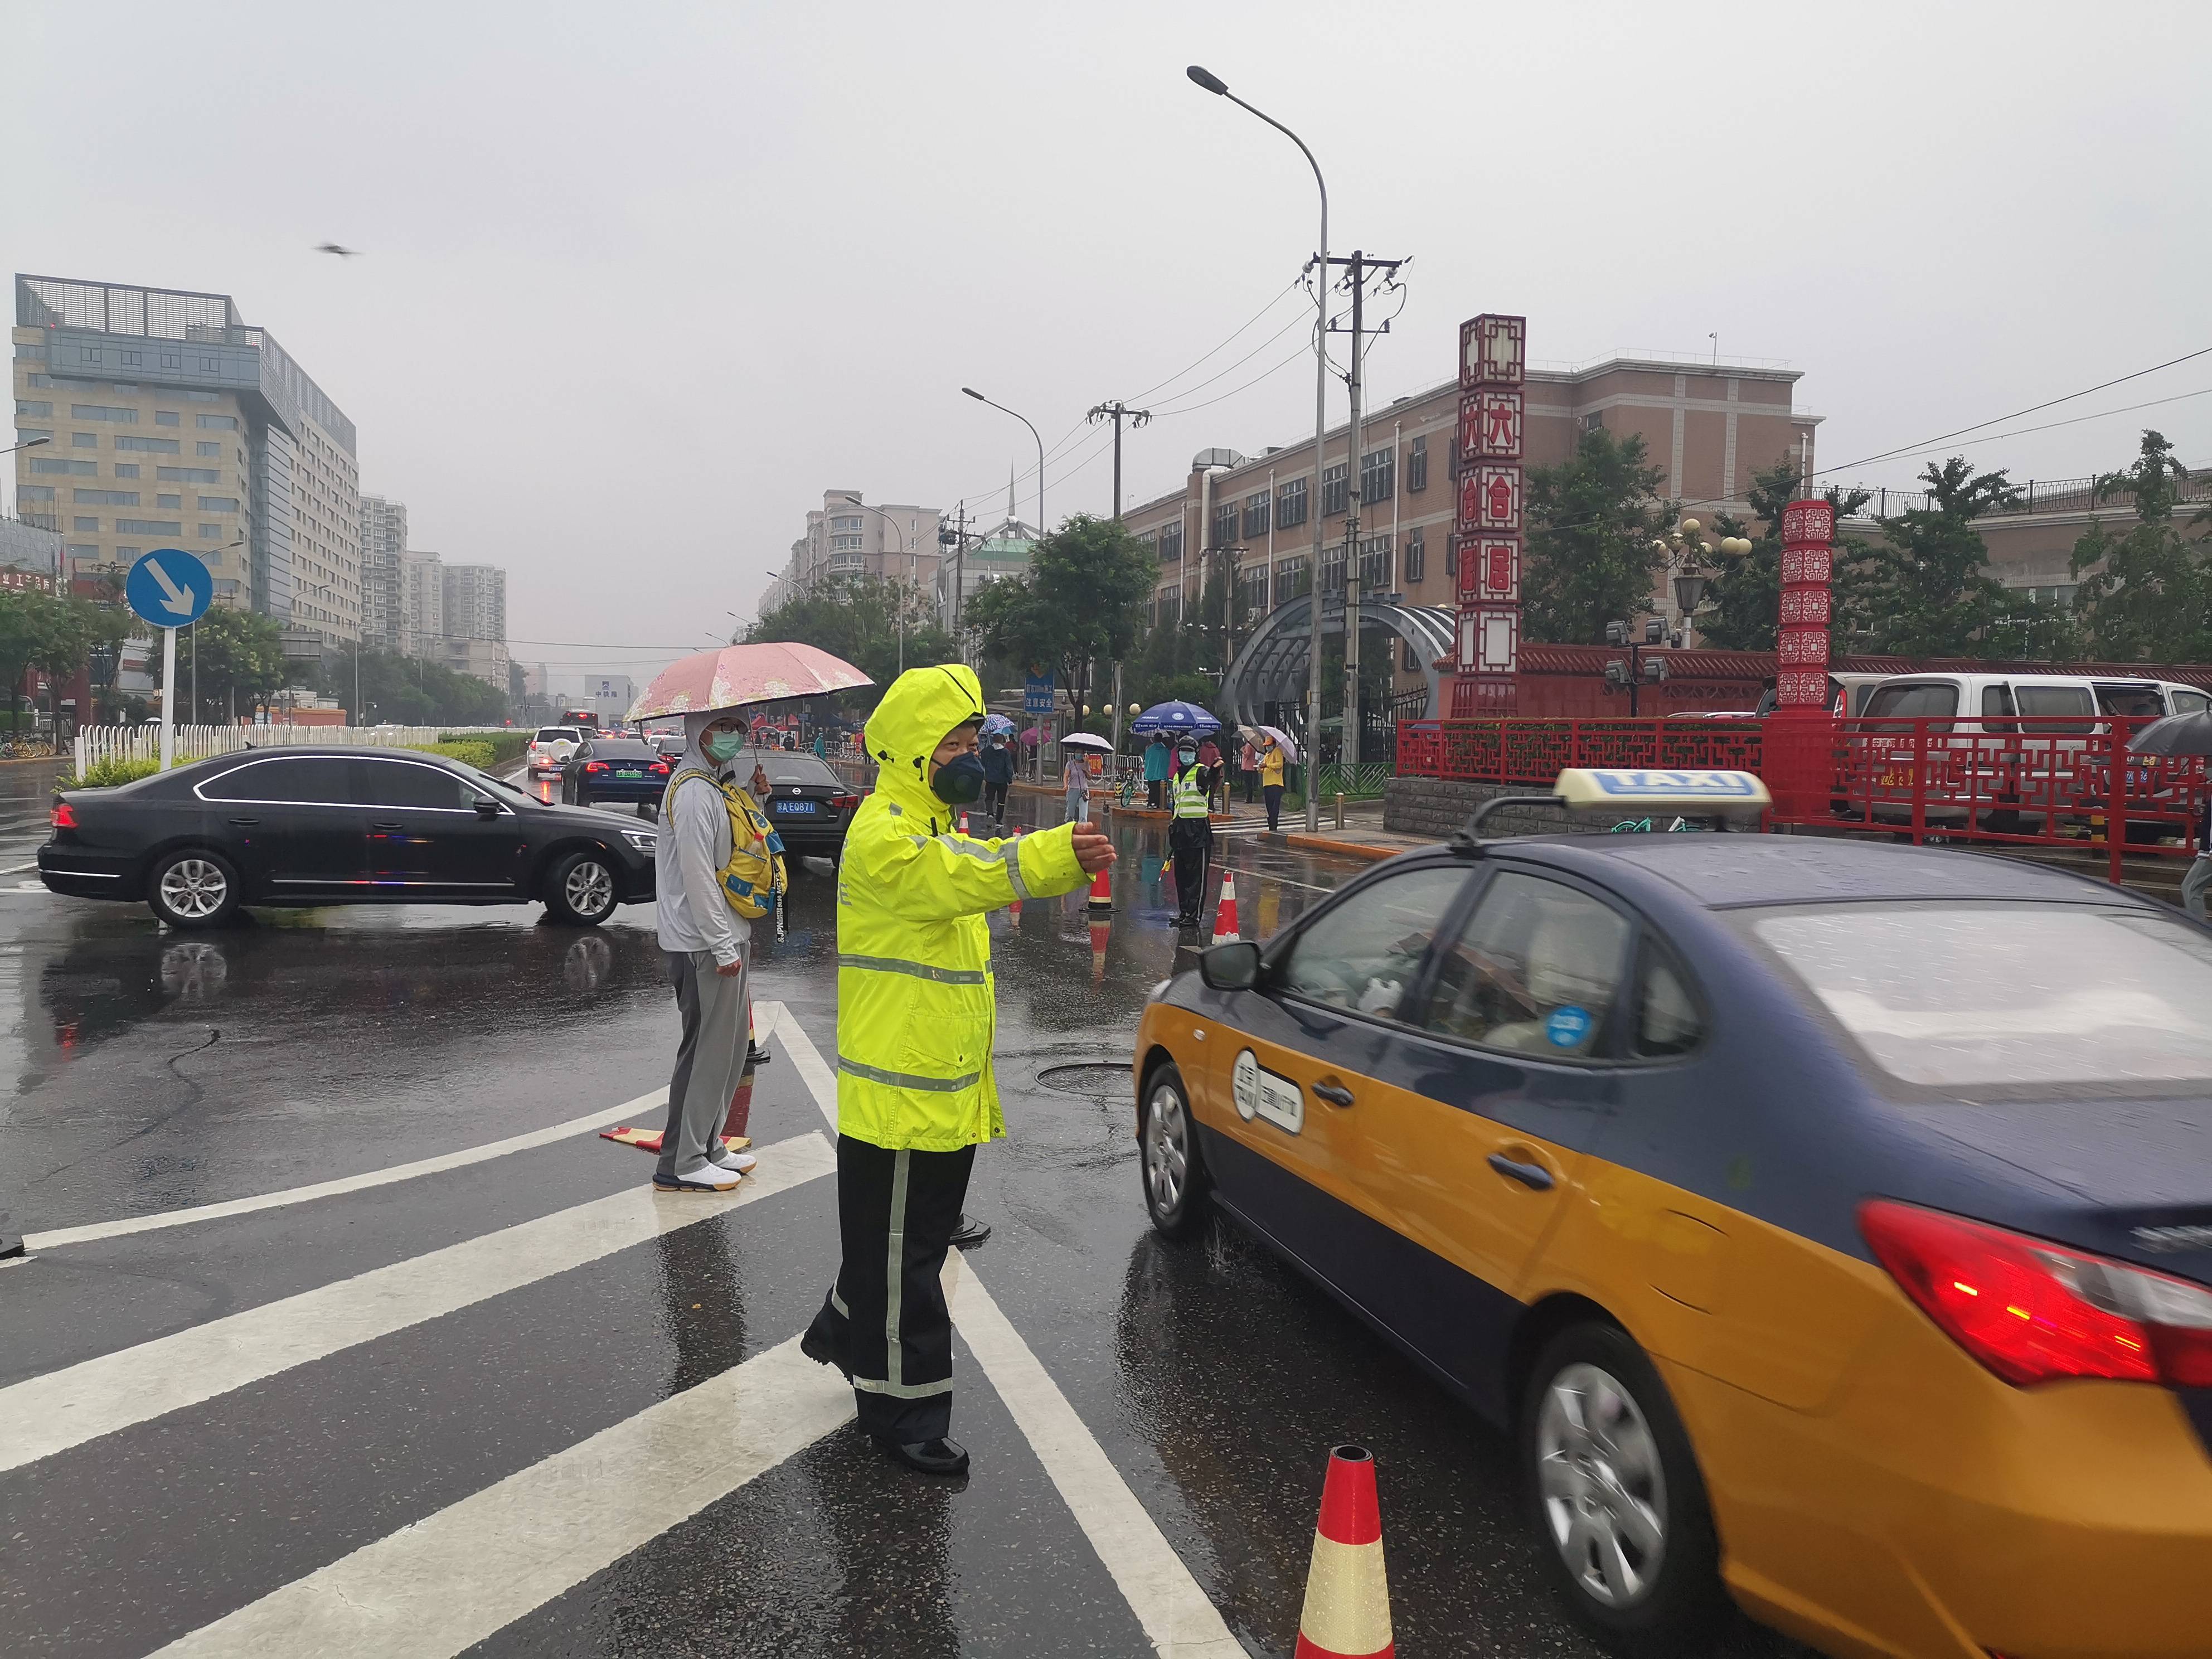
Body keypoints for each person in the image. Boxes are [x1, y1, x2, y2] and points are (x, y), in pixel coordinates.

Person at [802, 664, 1113, 1477]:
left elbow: (973, 861)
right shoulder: (885, 834)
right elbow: (970, 877)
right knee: (907, 1263)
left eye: (977, 741)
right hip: (900, 1099)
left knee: (903, 1241)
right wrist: (1057, 856)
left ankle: (842, 1332)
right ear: (910, 751)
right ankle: (902, 1416)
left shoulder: (934, 823)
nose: (971, 756)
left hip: (937, 1090)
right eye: (956, 743)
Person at [653, 709, 772, 1194]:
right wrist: (722, 945)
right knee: (704, 1052)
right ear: (695, 731)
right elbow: (700, 874)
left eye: (739, 729)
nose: (733, 737)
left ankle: (708, 1144)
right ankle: (680, 1161)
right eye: (722, 727)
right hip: (704, 943)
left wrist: (759, 796)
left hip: (726, 936)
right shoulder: (694, 792)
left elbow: (747, 847)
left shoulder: (718, 786)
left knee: (726, 1054)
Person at [1167, 737, 1215, 926]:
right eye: (1183, 751)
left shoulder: (1201, 772)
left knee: (1197, 877)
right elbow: (1177, 804)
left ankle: (1194, 916)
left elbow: (1210, 779)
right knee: (1181, 876)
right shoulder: (1178, 776)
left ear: (1195, 754)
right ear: (1179, 754)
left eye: (1189, 752)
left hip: (1198, 831)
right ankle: (1184, 912)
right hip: (1180, 830)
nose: (1186, 755)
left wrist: (1216, 771)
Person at [979, 730, 1015, 830]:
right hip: (1002, 781)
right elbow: (1008, 766)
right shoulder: (1005, 752)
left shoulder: (988, 750)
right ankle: (999, 820)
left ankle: (990, 814)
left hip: (990, 779)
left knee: (989, 798)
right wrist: (1010, 778)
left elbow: (983, 761)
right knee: (1001, 801)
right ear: (1002, 741)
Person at [1261, 735, 1287, 833]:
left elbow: (1279, 764)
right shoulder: (1267, 755)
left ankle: (1273, 825)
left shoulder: (1277, 752)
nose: (1268, 747)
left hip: (1275, 784)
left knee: (1274, 806)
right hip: (1267, 783)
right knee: (1268, 805)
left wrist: (1267, 765)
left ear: (1274, 744)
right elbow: (1262, 769)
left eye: (1269, 745)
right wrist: (1260, 767)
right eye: (1266, 745)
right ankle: (1271, 824)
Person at [1063, 744, 1091, 826]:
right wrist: (1066, 785)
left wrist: (1086, 769)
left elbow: (1090, 777)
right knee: (1070, 812)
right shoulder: (1070, 764)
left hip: (1084, 790)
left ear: (1083, 754)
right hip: (1073, 790)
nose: (1079, 754)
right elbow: (1066, 775)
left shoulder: (1086, 763)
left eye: (1080, 753)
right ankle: (1068, 827)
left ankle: (1083, 828)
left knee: (1083, 813)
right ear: (1074, 754)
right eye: (1077, 753)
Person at [1143, 731, 1170, 810]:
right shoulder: (1166, 751)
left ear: (1154, 739)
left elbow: (1147, 761)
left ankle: (1151, 803)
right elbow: (1168, 762)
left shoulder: (1150, 750)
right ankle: (1159, 804)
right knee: (1160, 791)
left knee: (1152, 789)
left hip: (1151, 774)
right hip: (1162, 774)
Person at [1197, 734, 1223, 812]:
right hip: (1215, 772)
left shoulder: (1202, 749)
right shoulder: (1215, 749)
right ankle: (1211, 806)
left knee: (1204, 790)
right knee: (1212, 790)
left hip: (1204, 772)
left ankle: (1204, 805)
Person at [1241, 736, 1259, 804]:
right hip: (1251, 767)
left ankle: (1249, 799)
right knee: (1250, 784)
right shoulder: (1252, 745)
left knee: (1248, 784)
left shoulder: (1248, 745)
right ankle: (1249, 798)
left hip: (1247, 767)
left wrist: (1243, 750)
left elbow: (1247, 755)